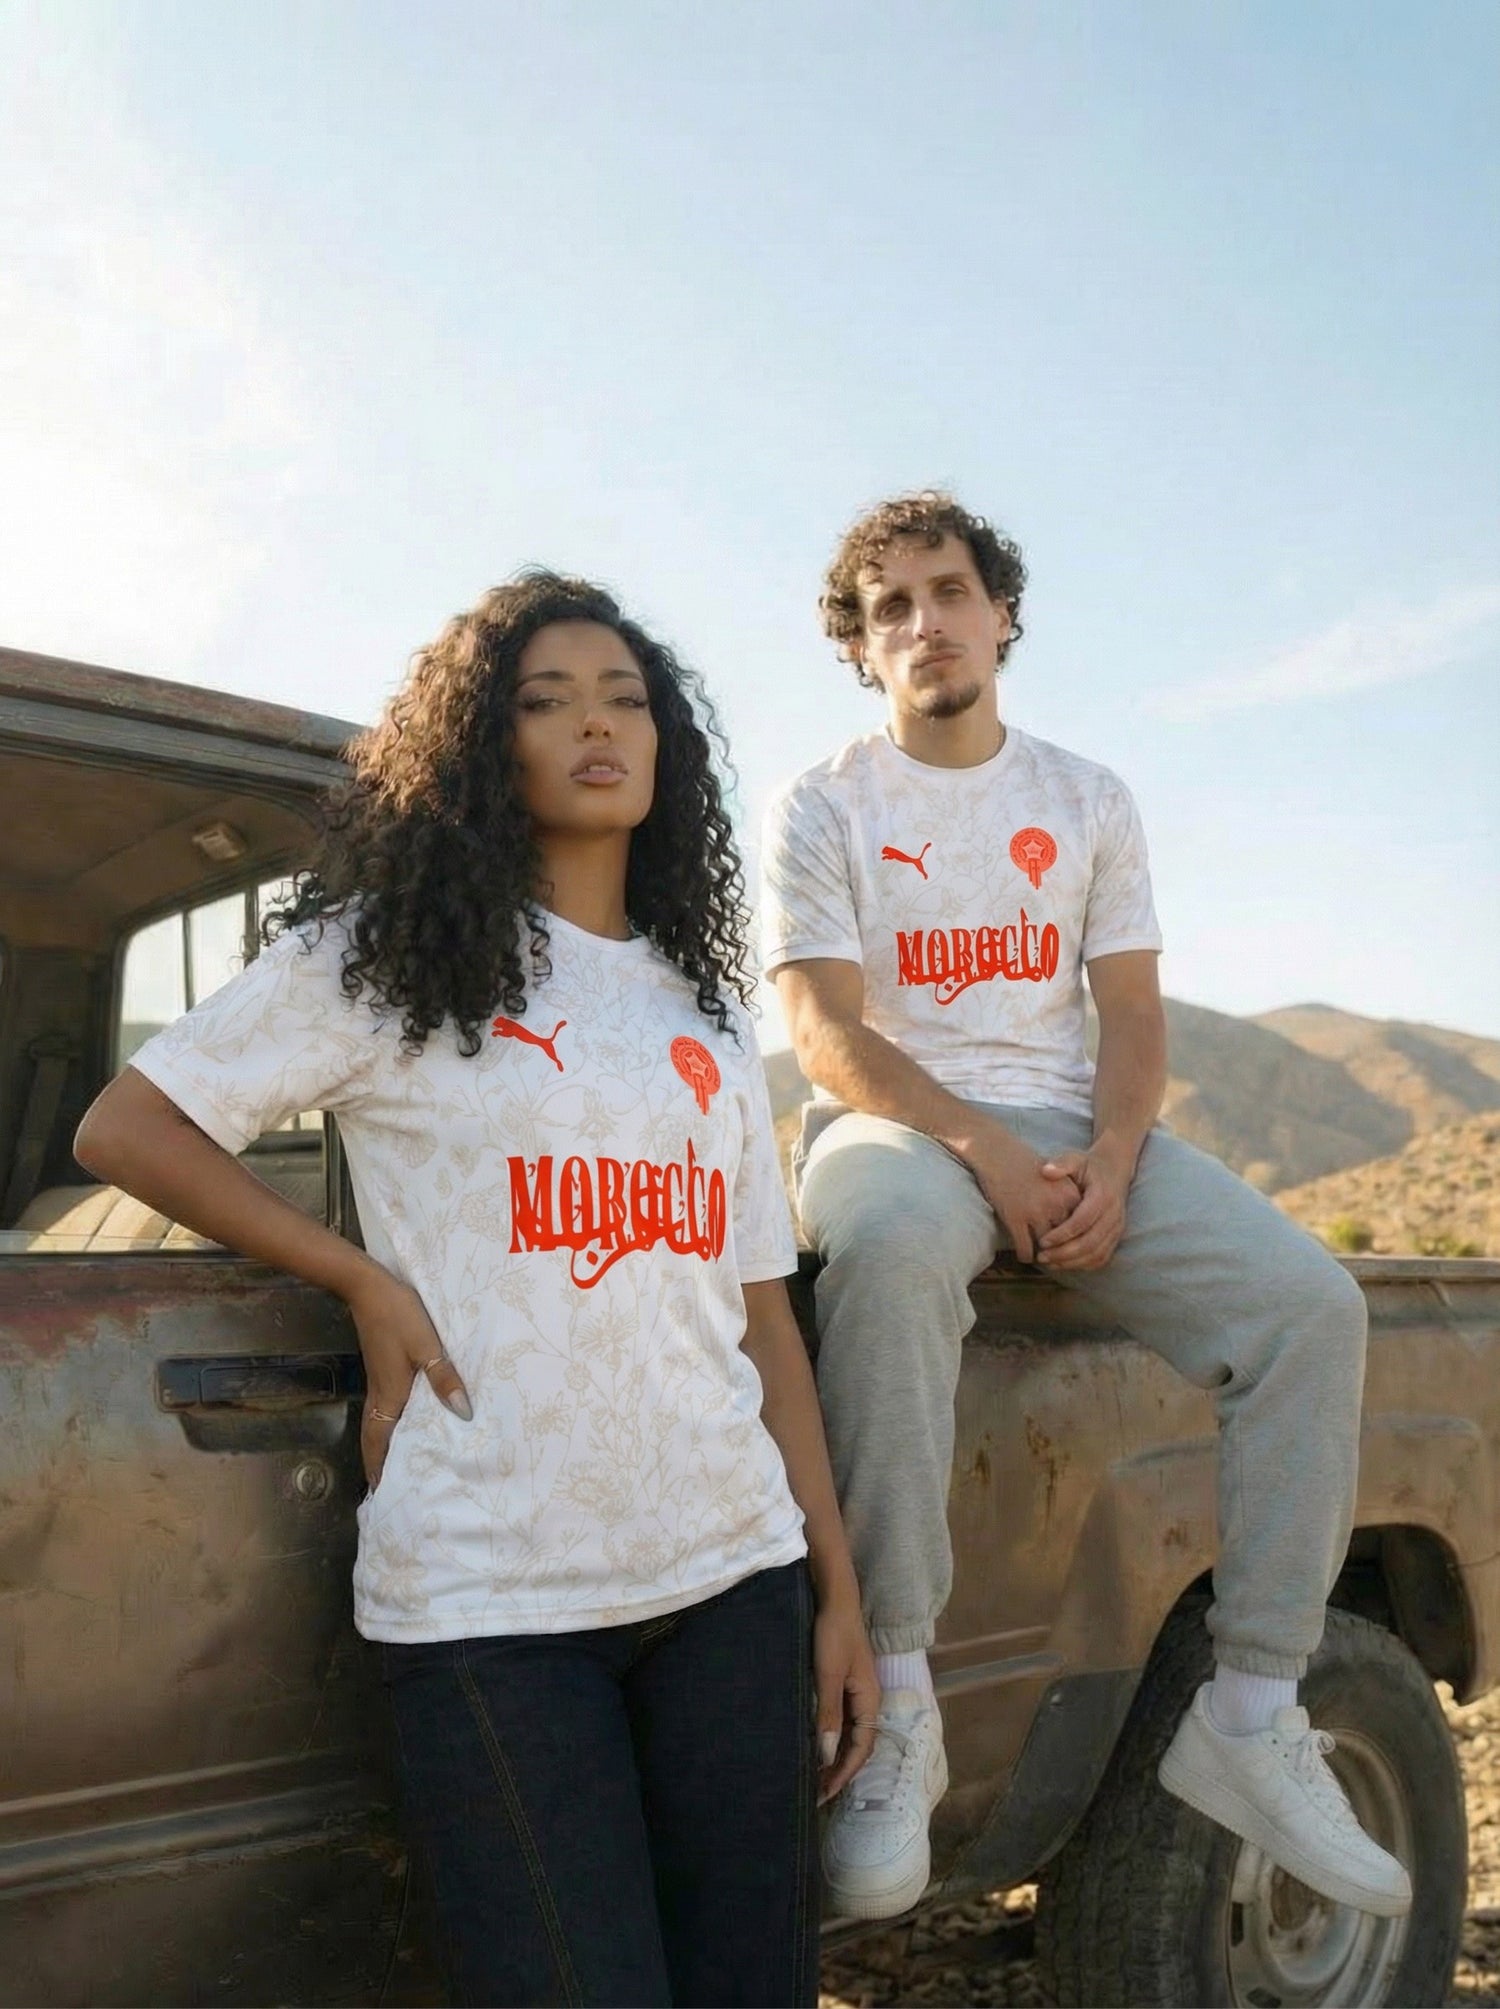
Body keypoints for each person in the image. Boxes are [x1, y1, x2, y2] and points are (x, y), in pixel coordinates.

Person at [76, 571, 878, 2008]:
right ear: (481, 746)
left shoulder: (700, 1013)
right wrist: (357, 1276)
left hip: (733, 1583)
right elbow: (130, 1130)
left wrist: (836, 1592)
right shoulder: (388, 960)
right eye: (546, 700)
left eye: (626, 699)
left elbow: (761, 1314)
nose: (597, 724)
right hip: (491, 1606)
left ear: (666, 743)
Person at [760, 491, 1412, 1925]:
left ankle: (1252, 1712)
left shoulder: (1088, 798)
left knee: (1312, 1307)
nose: (925, 622)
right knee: (888, 1249)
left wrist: (1115, 1158)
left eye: (950, 591)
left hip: (1076, 1129)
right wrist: (986, 1152)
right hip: (897, 1125)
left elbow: (1132, 1014)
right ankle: (901, 1705)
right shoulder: (825, 802)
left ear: (1001, 614)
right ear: (861, 646)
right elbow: (822, 1032)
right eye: (890, 606)